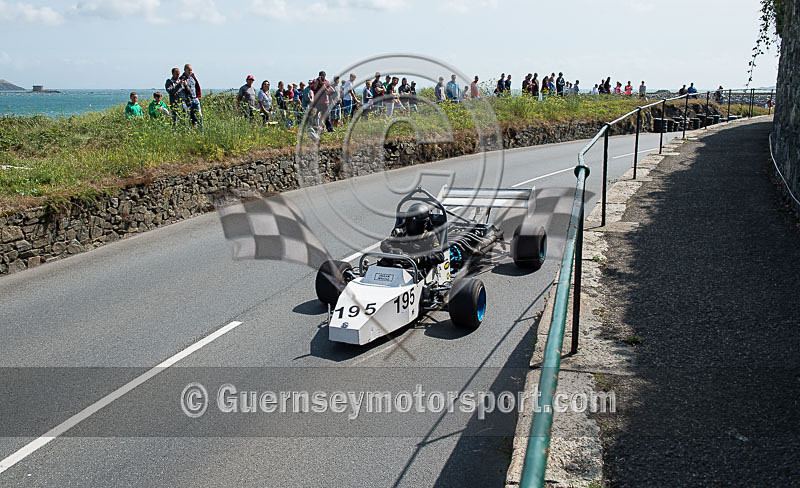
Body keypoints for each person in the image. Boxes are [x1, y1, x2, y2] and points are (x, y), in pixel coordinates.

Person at [379, 202, 445, 277]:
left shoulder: (430, 236)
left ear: (424, 223)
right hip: (396, 264)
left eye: (414, 223)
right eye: (409, 221)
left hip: (415, 269)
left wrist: (416, 258)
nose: (411, 225)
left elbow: (439, 256)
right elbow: (385, 243)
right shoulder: (400, 231)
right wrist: (392, 250)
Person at [181, 64, 202, 129]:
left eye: (191, 70)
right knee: (188, 118)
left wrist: (198, 97)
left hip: (195, 99)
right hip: (187, 101)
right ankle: (188, 133)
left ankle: (201, 132)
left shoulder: (192, 78)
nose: (190, 72)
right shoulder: (182, 79)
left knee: (199, 117)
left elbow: (197, 87)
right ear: (185, 70)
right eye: (189, 70)